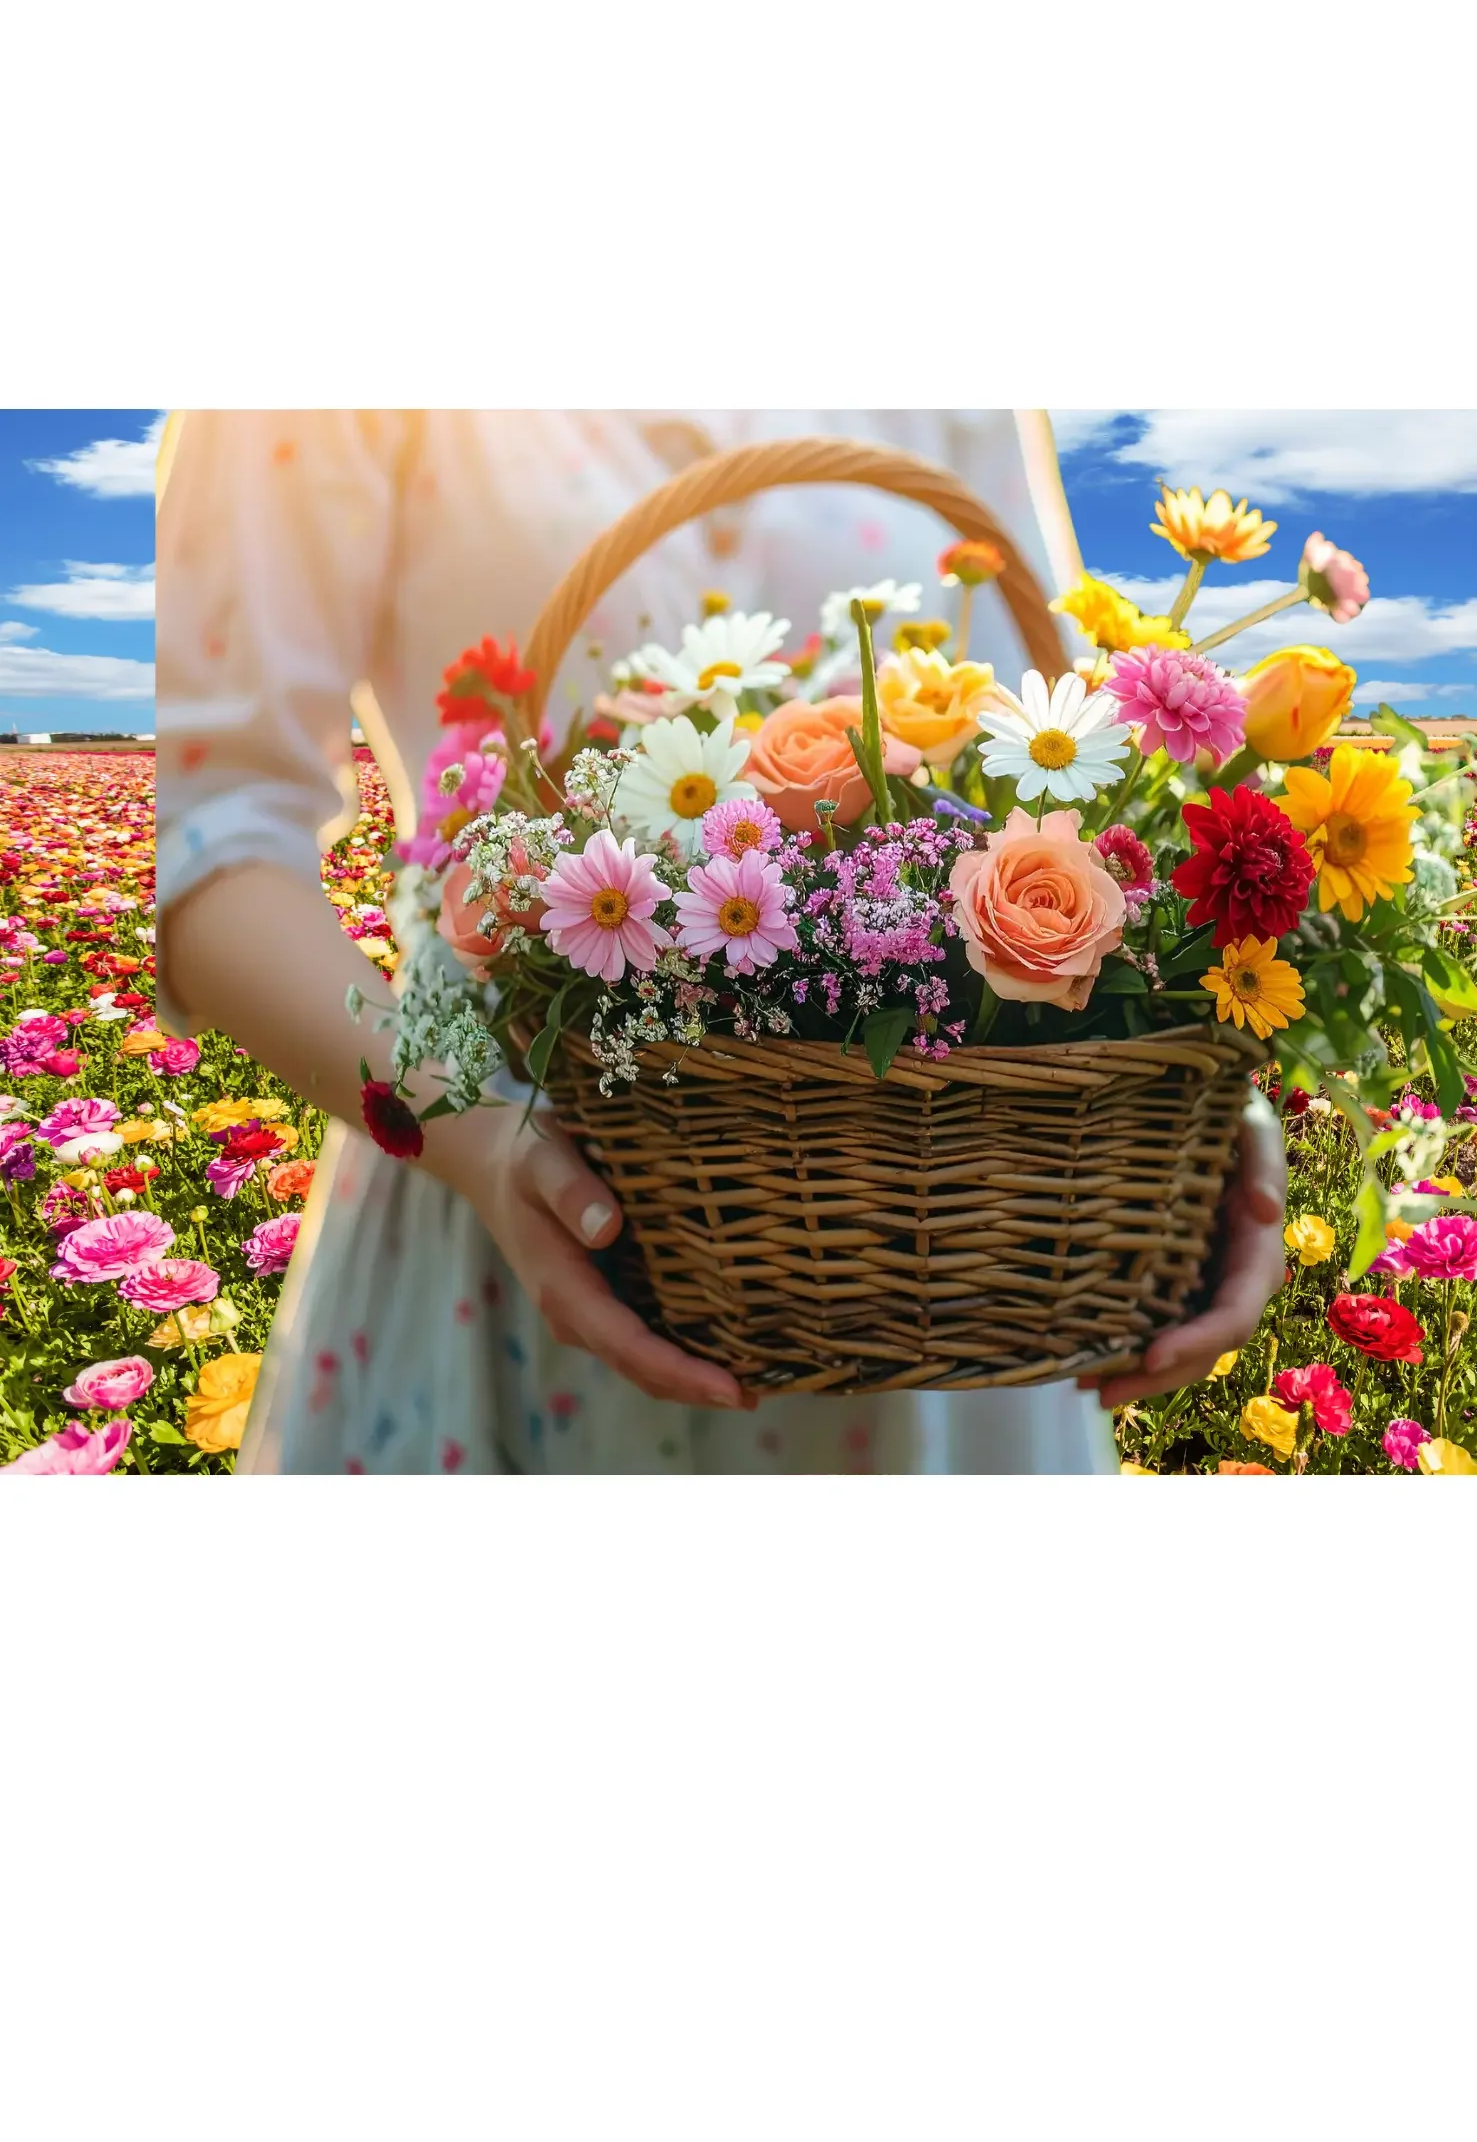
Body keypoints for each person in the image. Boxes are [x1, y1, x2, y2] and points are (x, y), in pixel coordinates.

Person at [156, 411, 1286, 1475]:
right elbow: (215, 840)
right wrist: (482, 1143)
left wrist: (1200, 1099)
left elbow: (1054, 751)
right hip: (512, 1184)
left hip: (957, 1224)